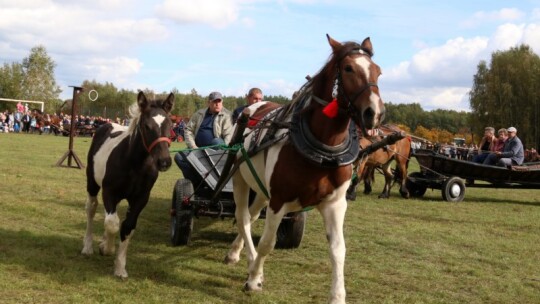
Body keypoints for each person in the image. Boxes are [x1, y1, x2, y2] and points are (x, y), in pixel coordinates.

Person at [177, 91, 234, 186]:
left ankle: (212, 181)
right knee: (179, 157)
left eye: (219, 101)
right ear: (209, 103)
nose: (217, 104)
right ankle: (196, 183)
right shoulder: (199, 114)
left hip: (216, 150)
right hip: (198, 148)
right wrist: (193, 146)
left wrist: (226, 150)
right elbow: (188, 130)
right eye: (215, 102)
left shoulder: (227, 115)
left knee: (216, 141)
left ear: (222, 102)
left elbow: (229, 134)